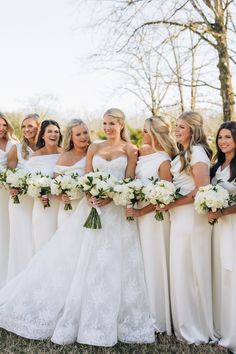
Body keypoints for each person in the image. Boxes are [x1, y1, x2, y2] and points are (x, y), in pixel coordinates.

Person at [0, 108, 154, 347]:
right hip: (91, 208)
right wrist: (92, 195)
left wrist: (112, 197)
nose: (108, 127)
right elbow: (87, 177)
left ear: (122, 124)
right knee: (81, 258)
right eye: (105, 123)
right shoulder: (95, 148)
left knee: (114, 262)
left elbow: (129, 180)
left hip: (116, 213)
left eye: (112, 123)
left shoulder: (130, 149)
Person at [155, 111, 215, 343]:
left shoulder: (197, 152)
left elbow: (201, 189)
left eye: (181, 127)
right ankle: (184, 324)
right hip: (180, 217)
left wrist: (172, 202)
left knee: (189, 271)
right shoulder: (185, 152)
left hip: (191, 218)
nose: (176, 130)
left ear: (193, 129)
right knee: (182, 270)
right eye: (176, 126)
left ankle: (194, 329)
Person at [126, 115, 177, 334]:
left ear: (155, 133)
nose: (143, 134)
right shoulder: (141, 153)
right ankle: (142, 311)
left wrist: (140, 211)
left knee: (155, 263)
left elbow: (165, 197)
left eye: (146, 131)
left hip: (155, 219)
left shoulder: (164, 159)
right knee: (142, 264)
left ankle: (158, 317)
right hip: (140, 217)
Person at [208, 121, 236, 353]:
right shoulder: (217, 165)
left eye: (227, 137)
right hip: (217, 226)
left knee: (231, 274)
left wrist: (223, 211)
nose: (223, 141)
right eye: (220, 137)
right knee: (219, 274)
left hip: (232, 224)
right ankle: (220, 326)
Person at [7, 114, 40, 281]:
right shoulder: (17, 149)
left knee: (38, 236)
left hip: (40, 199)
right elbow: (8, 174)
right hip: (20, 200)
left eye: (31, 126)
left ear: (39, 127)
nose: (27, 130)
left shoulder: (47, 147)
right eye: (24, 127)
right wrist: (11, 186)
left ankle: (37, 276)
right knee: (22, 237)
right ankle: (20, 278)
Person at [27, 119, 62, 252]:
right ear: (42, 135)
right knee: (44, 242)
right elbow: (30, 182)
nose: (53, 134)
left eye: (56, 132)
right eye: (49, 131)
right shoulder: (35, 157)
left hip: (62, 204)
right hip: (43, 206)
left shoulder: (65, 153)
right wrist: (38, 192)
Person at [55, 119, 91, 227]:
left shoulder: (94, 153)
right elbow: (56, 185)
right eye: (78, 134)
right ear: (71, 137)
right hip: (69, 209)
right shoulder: (64, 158)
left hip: (89, 207)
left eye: (85, 133)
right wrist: (62, 196)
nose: (83, 137)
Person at [0, 113, 16, 288]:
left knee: (9, 231)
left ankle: (9, 272)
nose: (2, 128)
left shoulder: (14, 143)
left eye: (4, 125)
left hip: (9, 191)